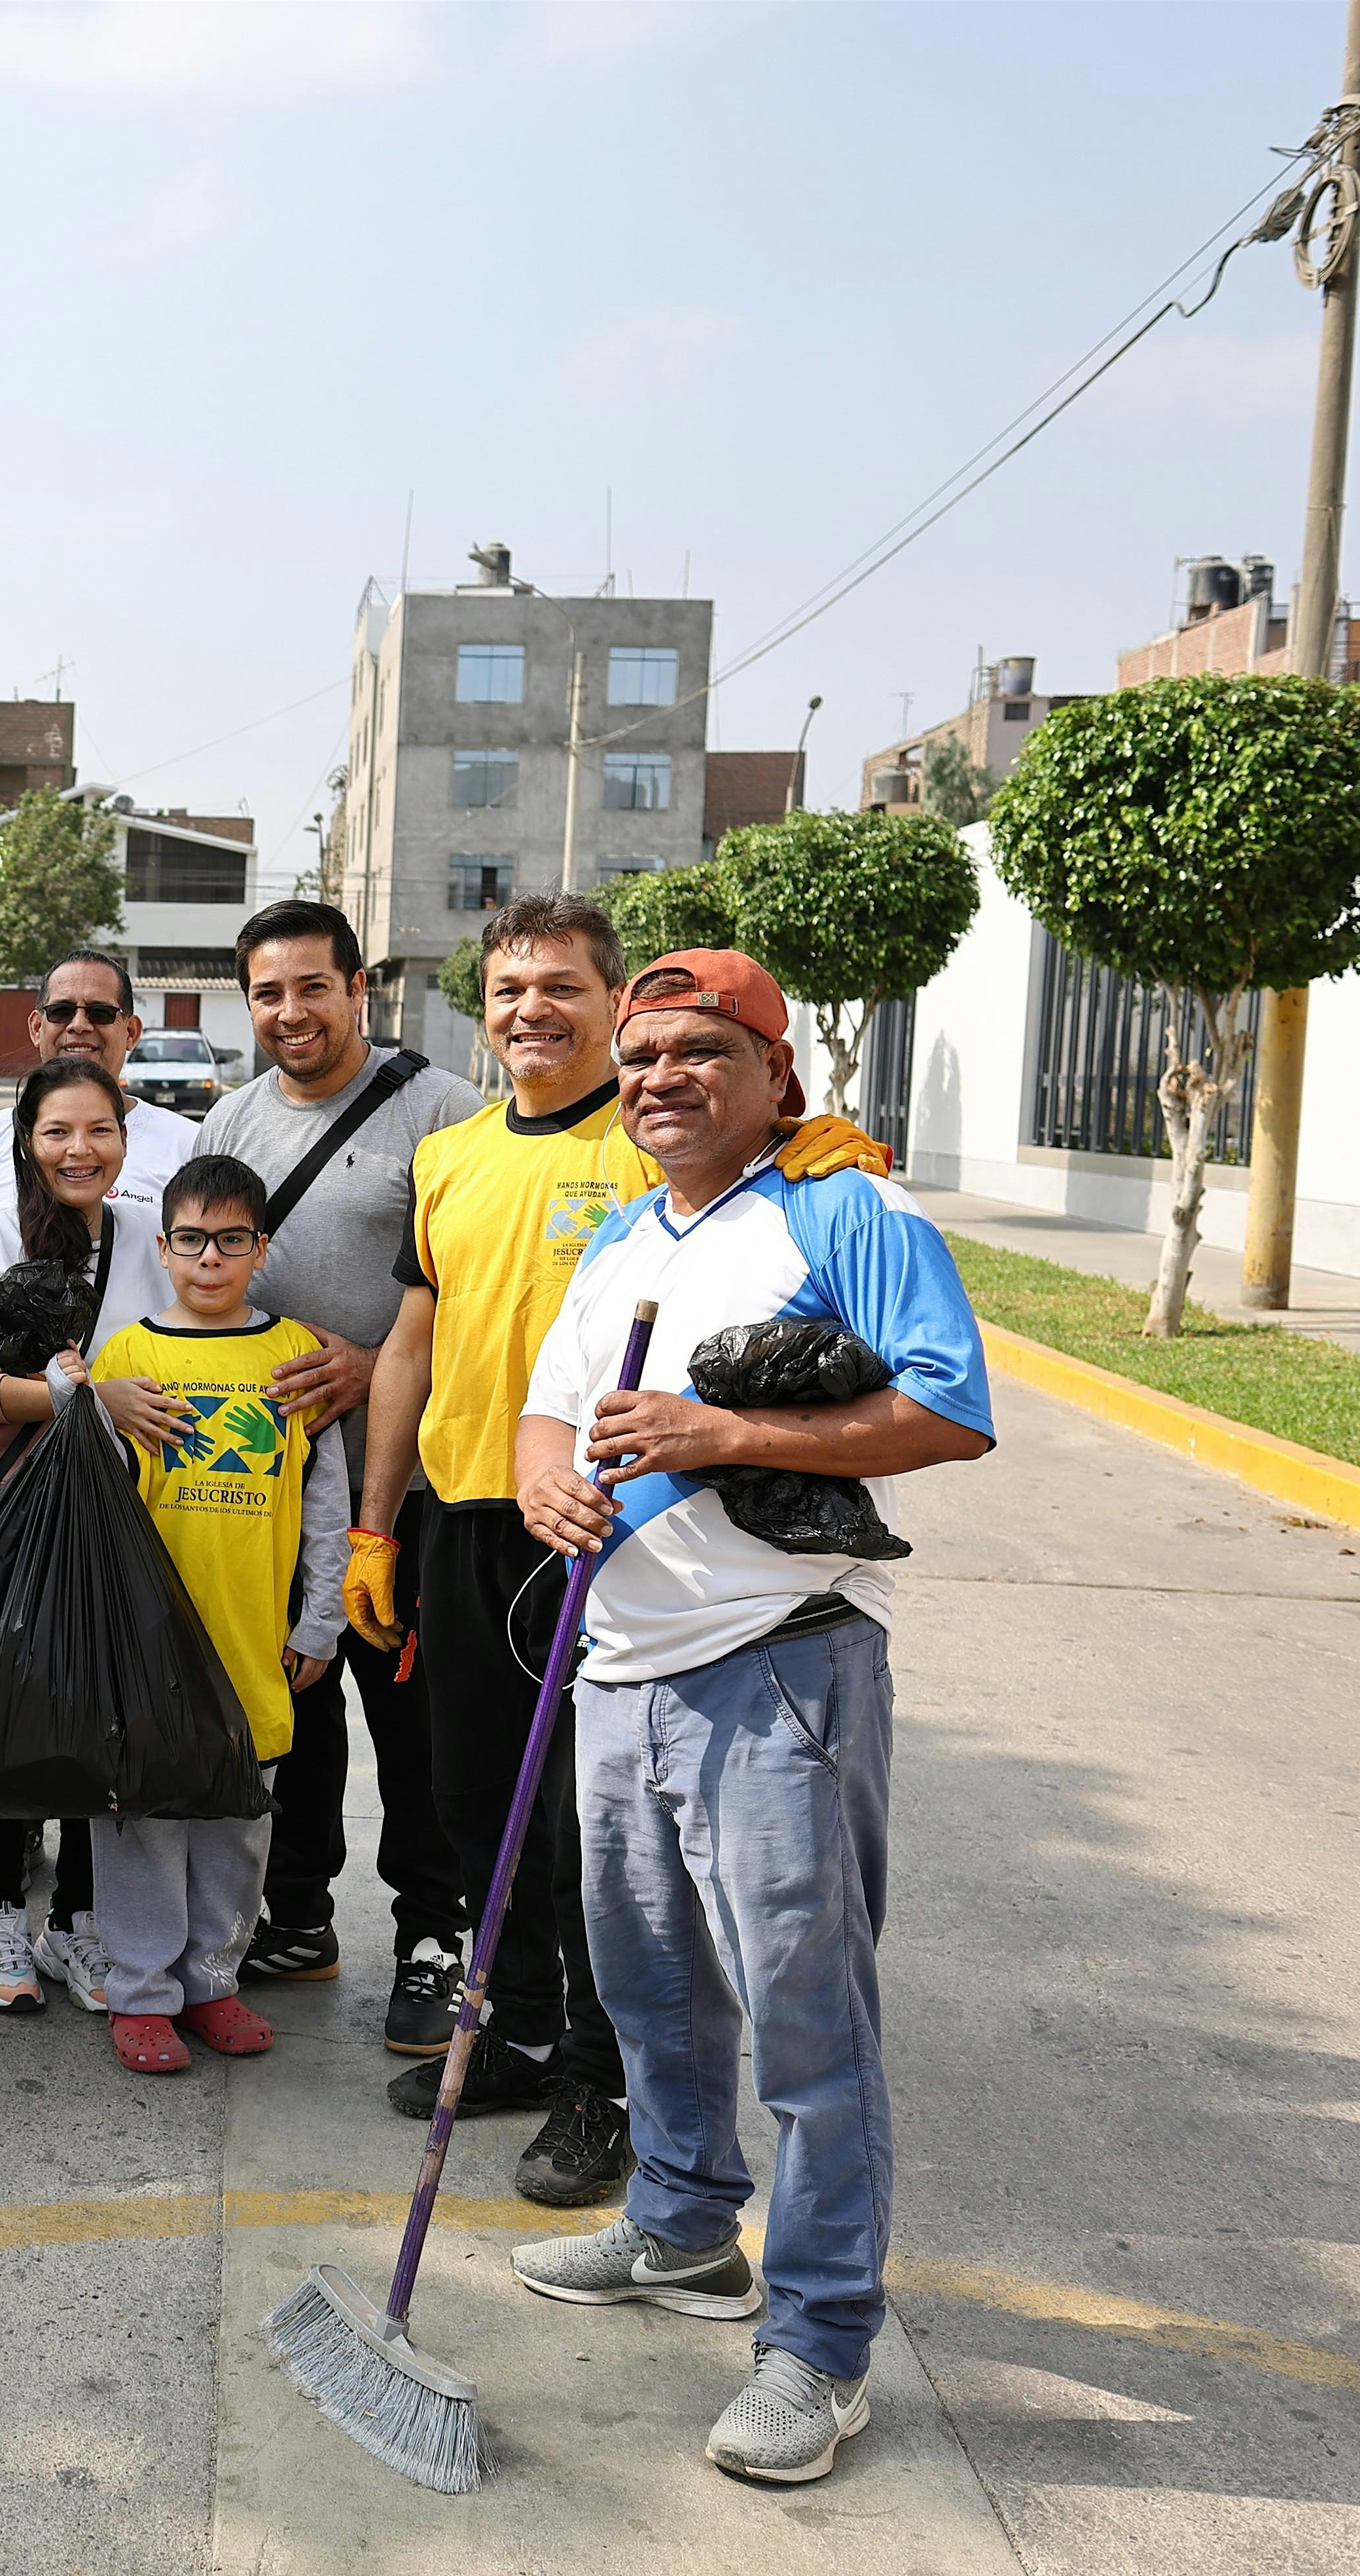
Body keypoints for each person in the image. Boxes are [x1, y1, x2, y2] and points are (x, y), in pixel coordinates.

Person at [503, 946, 992, 2488]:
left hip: (781, 1655)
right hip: (618, 1664)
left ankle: (821, 2342)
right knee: (651, 1987)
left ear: (777, 1074)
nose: (660, 1075)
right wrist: (541, 1477)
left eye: (700, 1049)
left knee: (803, 2018)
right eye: (640, 1052)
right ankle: (679, 2223)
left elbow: (951, 1406)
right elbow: (544, 1401)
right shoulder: (619, 1235)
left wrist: (722, 1426)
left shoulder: (847, 1208)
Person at [351, 896, 888, 2206]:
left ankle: (605, 2077)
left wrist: (812, 1139)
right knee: (479, 1800)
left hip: (602, 1532)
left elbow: (756, 1182)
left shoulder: (654, 1133)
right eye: (507, 986)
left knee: (596, 1827)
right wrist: (377, 1518)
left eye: (560, 988)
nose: (529, 1008)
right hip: (467, 1511)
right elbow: (413, 1341)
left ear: (612, 1008)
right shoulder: (453, 1152)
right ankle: (519, 2028)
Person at [188, 902, 480, 2022]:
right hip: (269, 1494)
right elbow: (209, 1281)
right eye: (269, 992)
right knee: (293, 1711)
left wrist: (378, 1365)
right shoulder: (232, 1125)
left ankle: (430, 1942)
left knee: (416, 1733)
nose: (291, 1011)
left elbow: (488, 1297)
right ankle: (298, 1918)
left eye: (314, 986)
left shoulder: (444, 1111)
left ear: (359, 989)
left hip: (401, 1492)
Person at [68, 1152, 348, 2075]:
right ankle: (141, 1992)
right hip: (146, 1645)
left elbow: (326, 1500)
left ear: (261, 1249)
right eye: (192, 1240)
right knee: (142, 1815)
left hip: (252, 1637)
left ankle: (213, 1982)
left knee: (237, 1820)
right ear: (164, 1247)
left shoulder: (293, 1355)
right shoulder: (131, 1359)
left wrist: (319, 1624)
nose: (212, 1259)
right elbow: (89, 1503)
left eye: (232, 1241)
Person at [0, 1055, 178, 2014]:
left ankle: (77, 1918)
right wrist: (79, 1394)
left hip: (126, 1518)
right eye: (57, 1132)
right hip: (11, 1519)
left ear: (126, 1137)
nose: (81, 1150)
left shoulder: (155, 1236)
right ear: (27, 1143)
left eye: (100, 1131)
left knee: (99, 1725)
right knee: (8, 1728)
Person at [0, 949, 202, 1246]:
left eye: (100, 1012)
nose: (79, 1025)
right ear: (37, 1028)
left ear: (131, 1032)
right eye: (61, 1011)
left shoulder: (188, 1144)